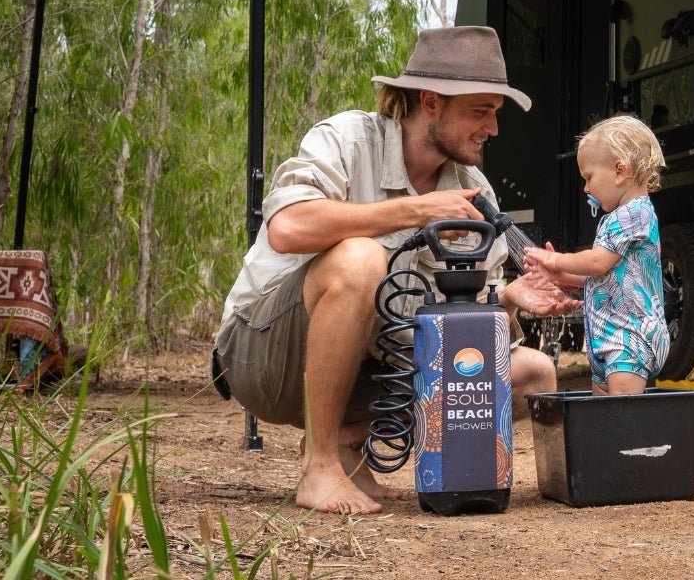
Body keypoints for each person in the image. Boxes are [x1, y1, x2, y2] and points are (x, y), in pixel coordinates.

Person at [214, 26, 579, 515]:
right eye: (481, 111)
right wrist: (415, 211)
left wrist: (510, 301)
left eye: (495, 113)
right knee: (362, 259)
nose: (493, 129)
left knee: (533, 374)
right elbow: (287, 227)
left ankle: (347, 439)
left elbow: (468, 329)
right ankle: (319, 466)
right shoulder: (346, 138)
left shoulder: (475, 190)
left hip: (368, 369)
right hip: (264, 359)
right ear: (430, 101)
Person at [523, 115, 669, 395]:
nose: (586, 189)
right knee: (601, 418)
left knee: (621, 418)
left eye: (588, 178)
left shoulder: (635, 213)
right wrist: (561, 276)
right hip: (606, 340)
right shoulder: (618, 218)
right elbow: (602, 274)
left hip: (631, 339)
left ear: (619, 171)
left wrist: (555, 259)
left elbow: (596, 261)